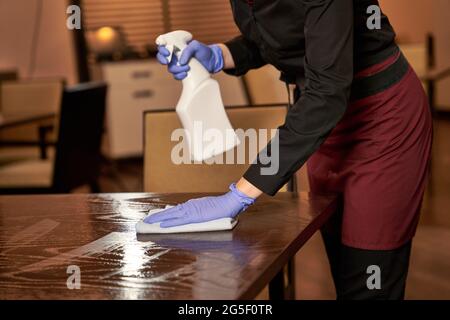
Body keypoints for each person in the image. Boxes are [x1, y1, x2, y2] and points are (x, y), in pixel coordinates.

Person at [146, 0, 432, 300]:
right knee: (346, 264)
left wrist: (238, 195)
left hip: (380, 121)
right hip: (319, 127)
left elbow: (327, 92)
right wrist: (219, 55)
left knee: (370, 278)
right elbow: (282, 37)